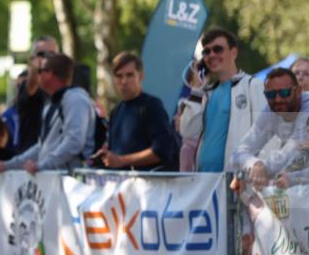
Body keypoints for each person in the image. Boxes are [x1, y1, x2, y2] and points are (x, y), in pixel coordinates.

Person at [0, 53, 95, 174]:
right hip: (51, 179)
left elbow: (74, 142)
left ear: (50, 73)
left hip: (70, 180)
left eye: (40, 71)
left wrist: (42, 166)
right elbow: (42, 147)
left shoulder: (75, 100)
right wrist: (8, 165)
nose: (38, 75)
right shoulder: (51, 104)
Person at [179, 28, 266, 172]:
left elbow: (267, 132)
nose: (211, 55)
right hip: (203, 178)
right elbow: (188, 132)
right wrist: (196, 91)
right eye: (206, 52)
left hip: (235, 178)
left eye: (218, 49)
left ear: (233, 53)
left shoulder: (252, 85)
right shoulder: (206, 93)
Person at [94, 52, 178, 171]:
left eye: (130, 75)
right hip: (120, 181)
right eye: (119, 76)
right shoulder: (116, 112)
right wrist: (106, 157)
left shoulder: (152, 106)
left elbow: (163, 150)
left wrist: (121, 160)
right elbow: (116, 153)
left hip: (149, 181)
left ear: (141, 76)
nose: (124, 81)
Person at [231, 67, 309, 190]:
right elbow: (238, 154)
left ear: (298, 91)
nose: (277, 99)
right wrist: (255, 164)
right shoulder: (270, 111)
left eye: (284, 92)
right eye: (270, 94)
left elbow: (295, 148)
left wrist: (260, 170)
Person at [13, 36, 58, 153]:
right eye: (42, 54)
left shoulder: (60, 84)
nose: (47, 58)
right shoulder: (27, 81)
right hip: (31, 156)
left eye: (52, 54)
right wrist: (36, 67)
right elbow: (31, 84)